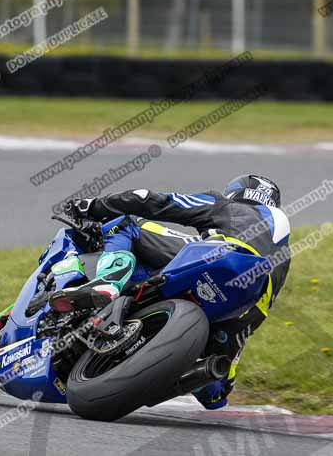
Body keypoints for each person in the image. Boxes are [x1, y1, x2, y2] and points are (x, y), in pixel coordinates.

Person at [61, 174, 291, 409]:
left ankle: (109, 282)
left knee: (125, 222)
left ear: (234, 193)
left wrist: (93, 206)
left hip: (217, 256)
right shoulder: (284, 255)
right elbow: (259, 312)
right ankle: (188, 373)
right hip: (243, 308)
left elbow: (151, 200)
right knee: (217, 393)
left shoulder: (226, 205)